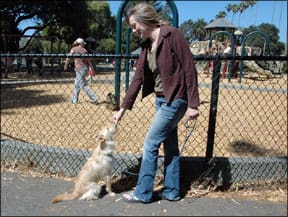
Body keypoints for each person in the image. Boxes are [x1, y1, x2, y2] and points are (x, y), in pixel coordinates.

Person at [113, 3, 200, 203]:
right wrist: (123, 109)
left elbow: (189, 68)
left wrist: (193, 104)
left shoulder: (172, 36)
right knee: (170, 147)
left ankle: (142, 192)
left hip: (176, 100)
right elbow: (137, 79)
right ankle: (171, 191)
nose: (134, 31)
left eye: (135, 26)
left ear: (145, 21)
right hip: (161, 100)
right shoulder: (145, 46)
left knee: (150, 143)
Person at [64, 38, 98, 104]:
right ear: (81, 43)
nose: (84, 45)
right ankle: (74, 100)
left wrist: (66, 65)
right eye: (83, 44)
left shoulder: (74, 49)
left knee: (83, 85)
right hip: (85, 69)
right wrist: (93, 70)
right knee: (76, 84)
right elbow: (89, 62)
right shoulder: (85, 50)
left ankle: (94, 98)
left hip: (79, 69)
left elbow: (69, 57)